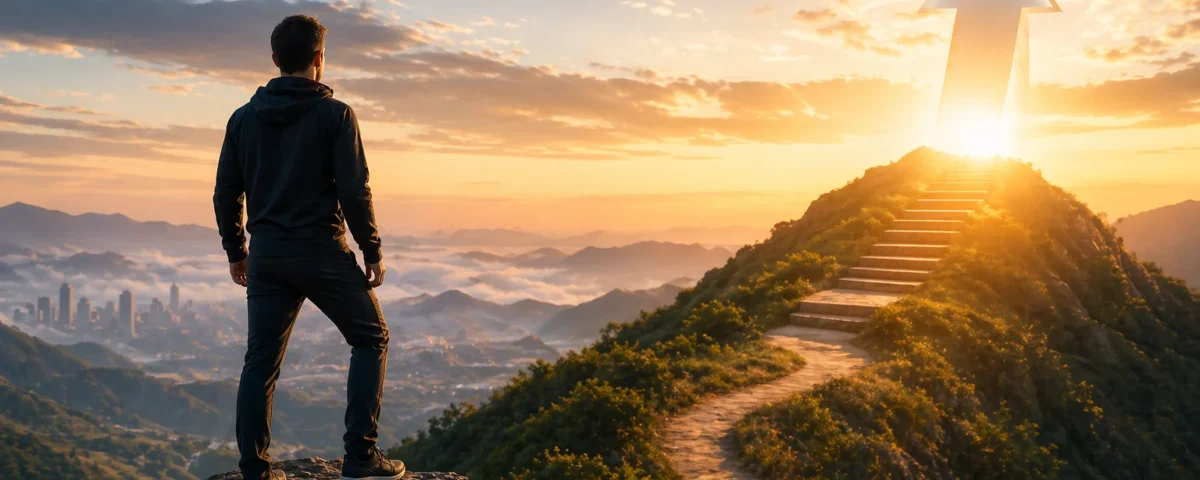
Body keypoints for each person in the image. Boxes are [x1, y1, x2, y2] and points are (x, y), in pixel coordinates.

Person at [213, 14, 405, 480]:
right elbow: (355, 190)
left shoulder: (242, 119)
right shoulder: (335, 115)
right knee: (371, 337)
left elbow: (225, 194)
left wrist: (237, 252)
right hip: (321, 251)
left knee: (260, 362)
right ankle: (360, 459)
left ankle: (255, 470)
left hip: (268, 257)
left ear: (276, 59)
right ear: (320, 58)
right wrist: (372, 250)